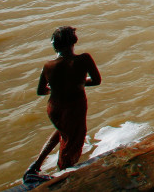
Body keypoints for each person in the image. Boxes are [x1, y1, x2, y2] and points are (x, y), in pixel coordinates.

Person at [24, 26, 101, 183]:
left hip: (55, 107)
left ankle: (35, 166)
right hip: (75, 106)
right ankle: (63, 176)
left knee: (62, 132)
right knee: (72, 143)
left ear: (55, 45)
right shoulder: (84, 59)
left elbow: (41, 91)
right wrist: (79, 82)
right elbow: (96, 80)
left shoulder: (49, 65)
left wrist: (55, 87)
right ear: (74, 42)